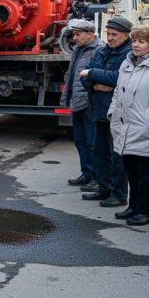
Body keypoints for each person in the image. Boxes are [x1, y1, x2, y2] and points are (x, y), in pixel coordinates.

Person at [107, 26, 149, 226]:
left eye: (141, 41)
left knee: (146, 174)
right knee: (132, 171)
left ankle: (145, 212)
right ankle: (133, 207)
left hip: (146, 127)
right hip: (125, 124)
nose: (135, 44)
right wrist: (112, 111)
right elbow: (118, 91)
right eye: (134, 40)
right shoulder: (128, 62)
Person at [80, 16, 133, 207]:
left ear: (126, 35)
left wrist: (92, 74)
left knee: (117, 156)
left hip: (117, 114)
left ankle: (119, 194)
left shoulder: (129, 54)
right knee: (100, 154)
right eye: (108, 34)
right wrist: (94, 86)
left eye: (114, 35)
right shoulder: (102, 52)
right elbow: (82, 77)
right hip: (99, 110)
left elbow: (118, 78)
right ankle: (104, 189)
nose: (110, 38)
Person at [60, 19, 105, 189]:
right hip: (77, 101)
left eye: (78, 34)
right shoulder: (79, 49)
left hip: (89, 102)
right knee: (80, 141)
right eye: (74, 34)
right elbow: (72, 76)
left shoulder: (99, 49)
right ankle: (86, 173)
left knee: (92, 142)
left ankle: (96, 178)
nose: (74, 38)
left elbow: (97, 76)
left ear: (90, 34)